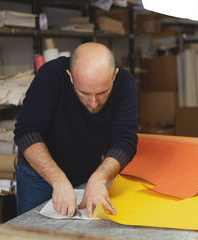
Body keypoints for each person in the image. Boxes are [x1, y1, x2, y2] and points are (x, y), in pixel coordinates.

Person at [14, 42, 138, 217]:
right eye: (85, 93)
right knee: (34, 238)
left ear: (114, 76)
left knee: (83, 238)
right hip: (39, 176)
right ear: (70, 77)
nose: (94, 103)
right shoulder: (51, 75)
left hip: (88, 174)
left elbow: (125, 140)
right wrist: (57, 180)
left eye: (102, 92)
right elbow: (26, 132)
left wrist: (99, 178)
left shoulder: (125, 83)